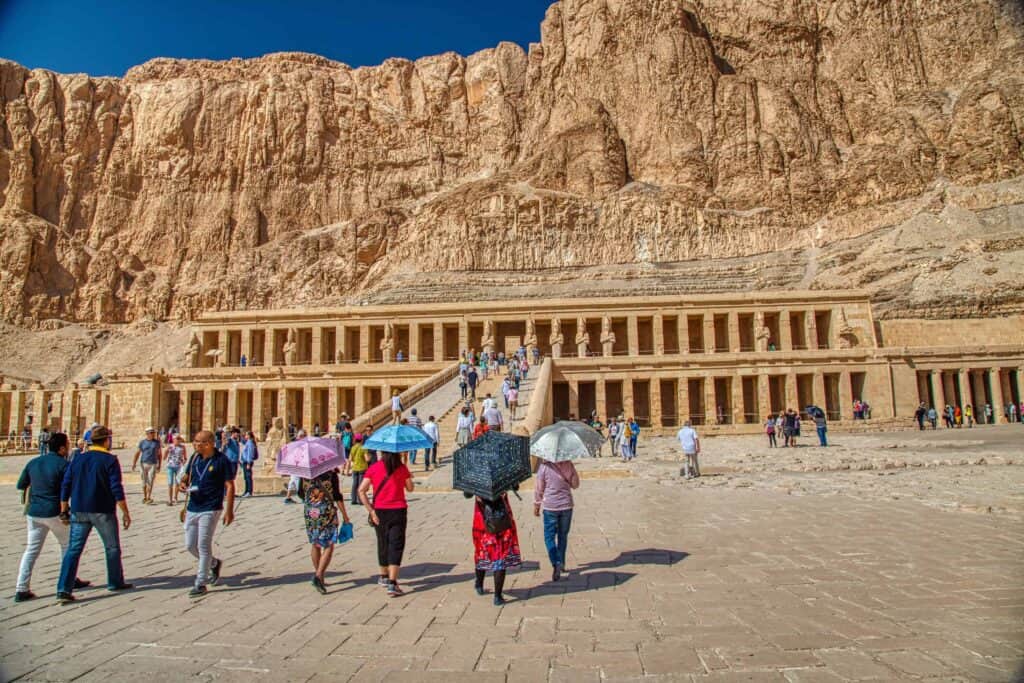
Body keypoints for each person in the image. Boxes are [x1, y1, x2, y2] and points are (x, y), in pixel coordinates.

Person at [56, 426, 132, 604]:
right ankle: (114, 581)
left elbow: (66, 485)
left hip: (79, 510)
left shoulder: (77, 459)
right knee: (112, 547)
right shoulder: (110, 460)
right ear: (106, 440)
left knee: (73, 550)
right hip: (103, 510)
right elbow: (116, 488)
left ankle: (63, 589)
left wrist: (63, 509)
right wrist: (125, 511)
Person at [14, 433, 91, 602]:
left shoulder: (33, 462)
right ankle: (68, 581)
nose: (69, 447)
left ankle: (21, 588)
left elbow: (21, 484)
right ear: (62, 448)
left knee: (31, 550)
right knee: (68, 547)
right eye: (68, 445)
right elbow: (72, 488)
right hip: (55, 512)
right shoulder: (64, 465)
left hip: (34, 513)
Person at [177, 430, 235, 597]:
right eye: (195, 441)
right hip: (193, 506)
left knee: (203, 546)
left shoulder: (221, 460)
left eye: (199, 442)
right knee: (190, 545)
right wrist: (182, 484)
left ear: (209, 443)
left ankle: (200, 583)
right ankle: (214, 564)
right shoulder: (194, 458)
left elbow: (230, 486)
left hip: (211, 507)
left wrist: (229, 510)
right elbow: (186, 477)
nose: (195, 444)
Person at [359, 450, 414, 597]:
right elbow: (410, 488)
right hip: (398, 510)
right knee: (396, 544)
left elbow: (361, 491)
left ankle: (383, 576)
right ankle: (392, 582)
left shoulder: (374, 468)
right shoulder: (402, 468)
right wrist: (408, 478)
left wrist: (370, 511)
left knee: (382, 542)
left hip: (379, 511)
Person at [303, 467, 350, 593]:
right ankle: (318, 575)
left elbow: (300, 493)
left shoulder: (305, 474)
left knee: (315, 544)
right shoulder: (331, 474)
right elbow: (337, 496)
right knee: (329, 544)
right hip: (326, 512)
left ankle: (320, 577)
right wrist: (345, 516)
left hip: (310, 514)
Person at [471, 492, 521, 606]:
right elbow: (516, 486)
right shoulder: (503, 477)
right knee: (500, 556)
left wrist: (476, 494)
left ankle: (479, 584)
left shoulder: (477, 479)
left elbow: (467, 494)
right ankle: (497, 596)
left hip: (482, 522)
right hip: (501, 521)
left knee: (482, 553)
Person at [534, 458, 579, 582]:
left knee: (549, 537)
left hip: (550, 507)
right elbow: (575, 485)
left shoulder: (544, 467)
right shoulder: (569, 464)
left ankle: (556, 562)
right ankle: (562, 562)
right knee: (562, 535)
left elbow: (539, 489)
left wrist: (537, 505)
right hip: (566, 506)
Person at [131, 427, 162, 505]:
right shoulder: (142, 442)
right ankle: (145, 496)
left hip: (153, 463)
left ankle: (148, 497)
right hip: (143, 463)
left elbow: (159, 454)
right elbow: (138, 453)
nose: (153, 434)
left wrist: (159, 465)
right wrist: (134, 463)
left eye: (153, 433)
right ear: (147, 434)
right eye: (151, 433)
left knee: (150, 481)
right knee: (144, 481)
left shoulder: (157, 442)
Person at [344, 434, 369, 504]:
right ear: (361, 440)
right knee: (360, 485)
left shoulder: (353, 448)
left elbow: (349, 459)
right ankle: (360, 500)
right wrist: (369, 457)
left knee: (354, 484)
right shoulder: (363, 448)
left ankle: (353, 499)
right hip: (362, 468)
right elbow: (367, 459)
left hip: (354, 468)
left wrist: (347, 470)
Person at [164, 434, 187, 505]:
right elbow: (164, 457)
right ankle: (170, 500)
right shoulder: (170, 446)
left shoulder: (183, 447)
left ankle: (175, 498)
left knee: (177, 483)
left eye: (179, 438)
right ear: (173, 439)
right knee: (170, 483)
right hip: (170, 466)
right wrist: (167, 451)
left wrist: (184, 461)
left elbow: (185, 457)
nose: (178, 440)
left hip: (178, 467)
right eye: (176, 438)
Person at [240, 431, 258, 497]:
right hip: (245, 462)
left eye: (246, 435)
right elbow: (242, 440)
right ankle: (246, 491)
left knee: (248, 477)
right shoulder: (248, 442)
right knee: (246, 477)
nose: (245, 436)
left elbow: (250, 454)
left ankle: (249, 492)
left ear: (249, 436)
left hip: (248, 462)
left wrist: (248, 463)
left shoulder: (250, 443)